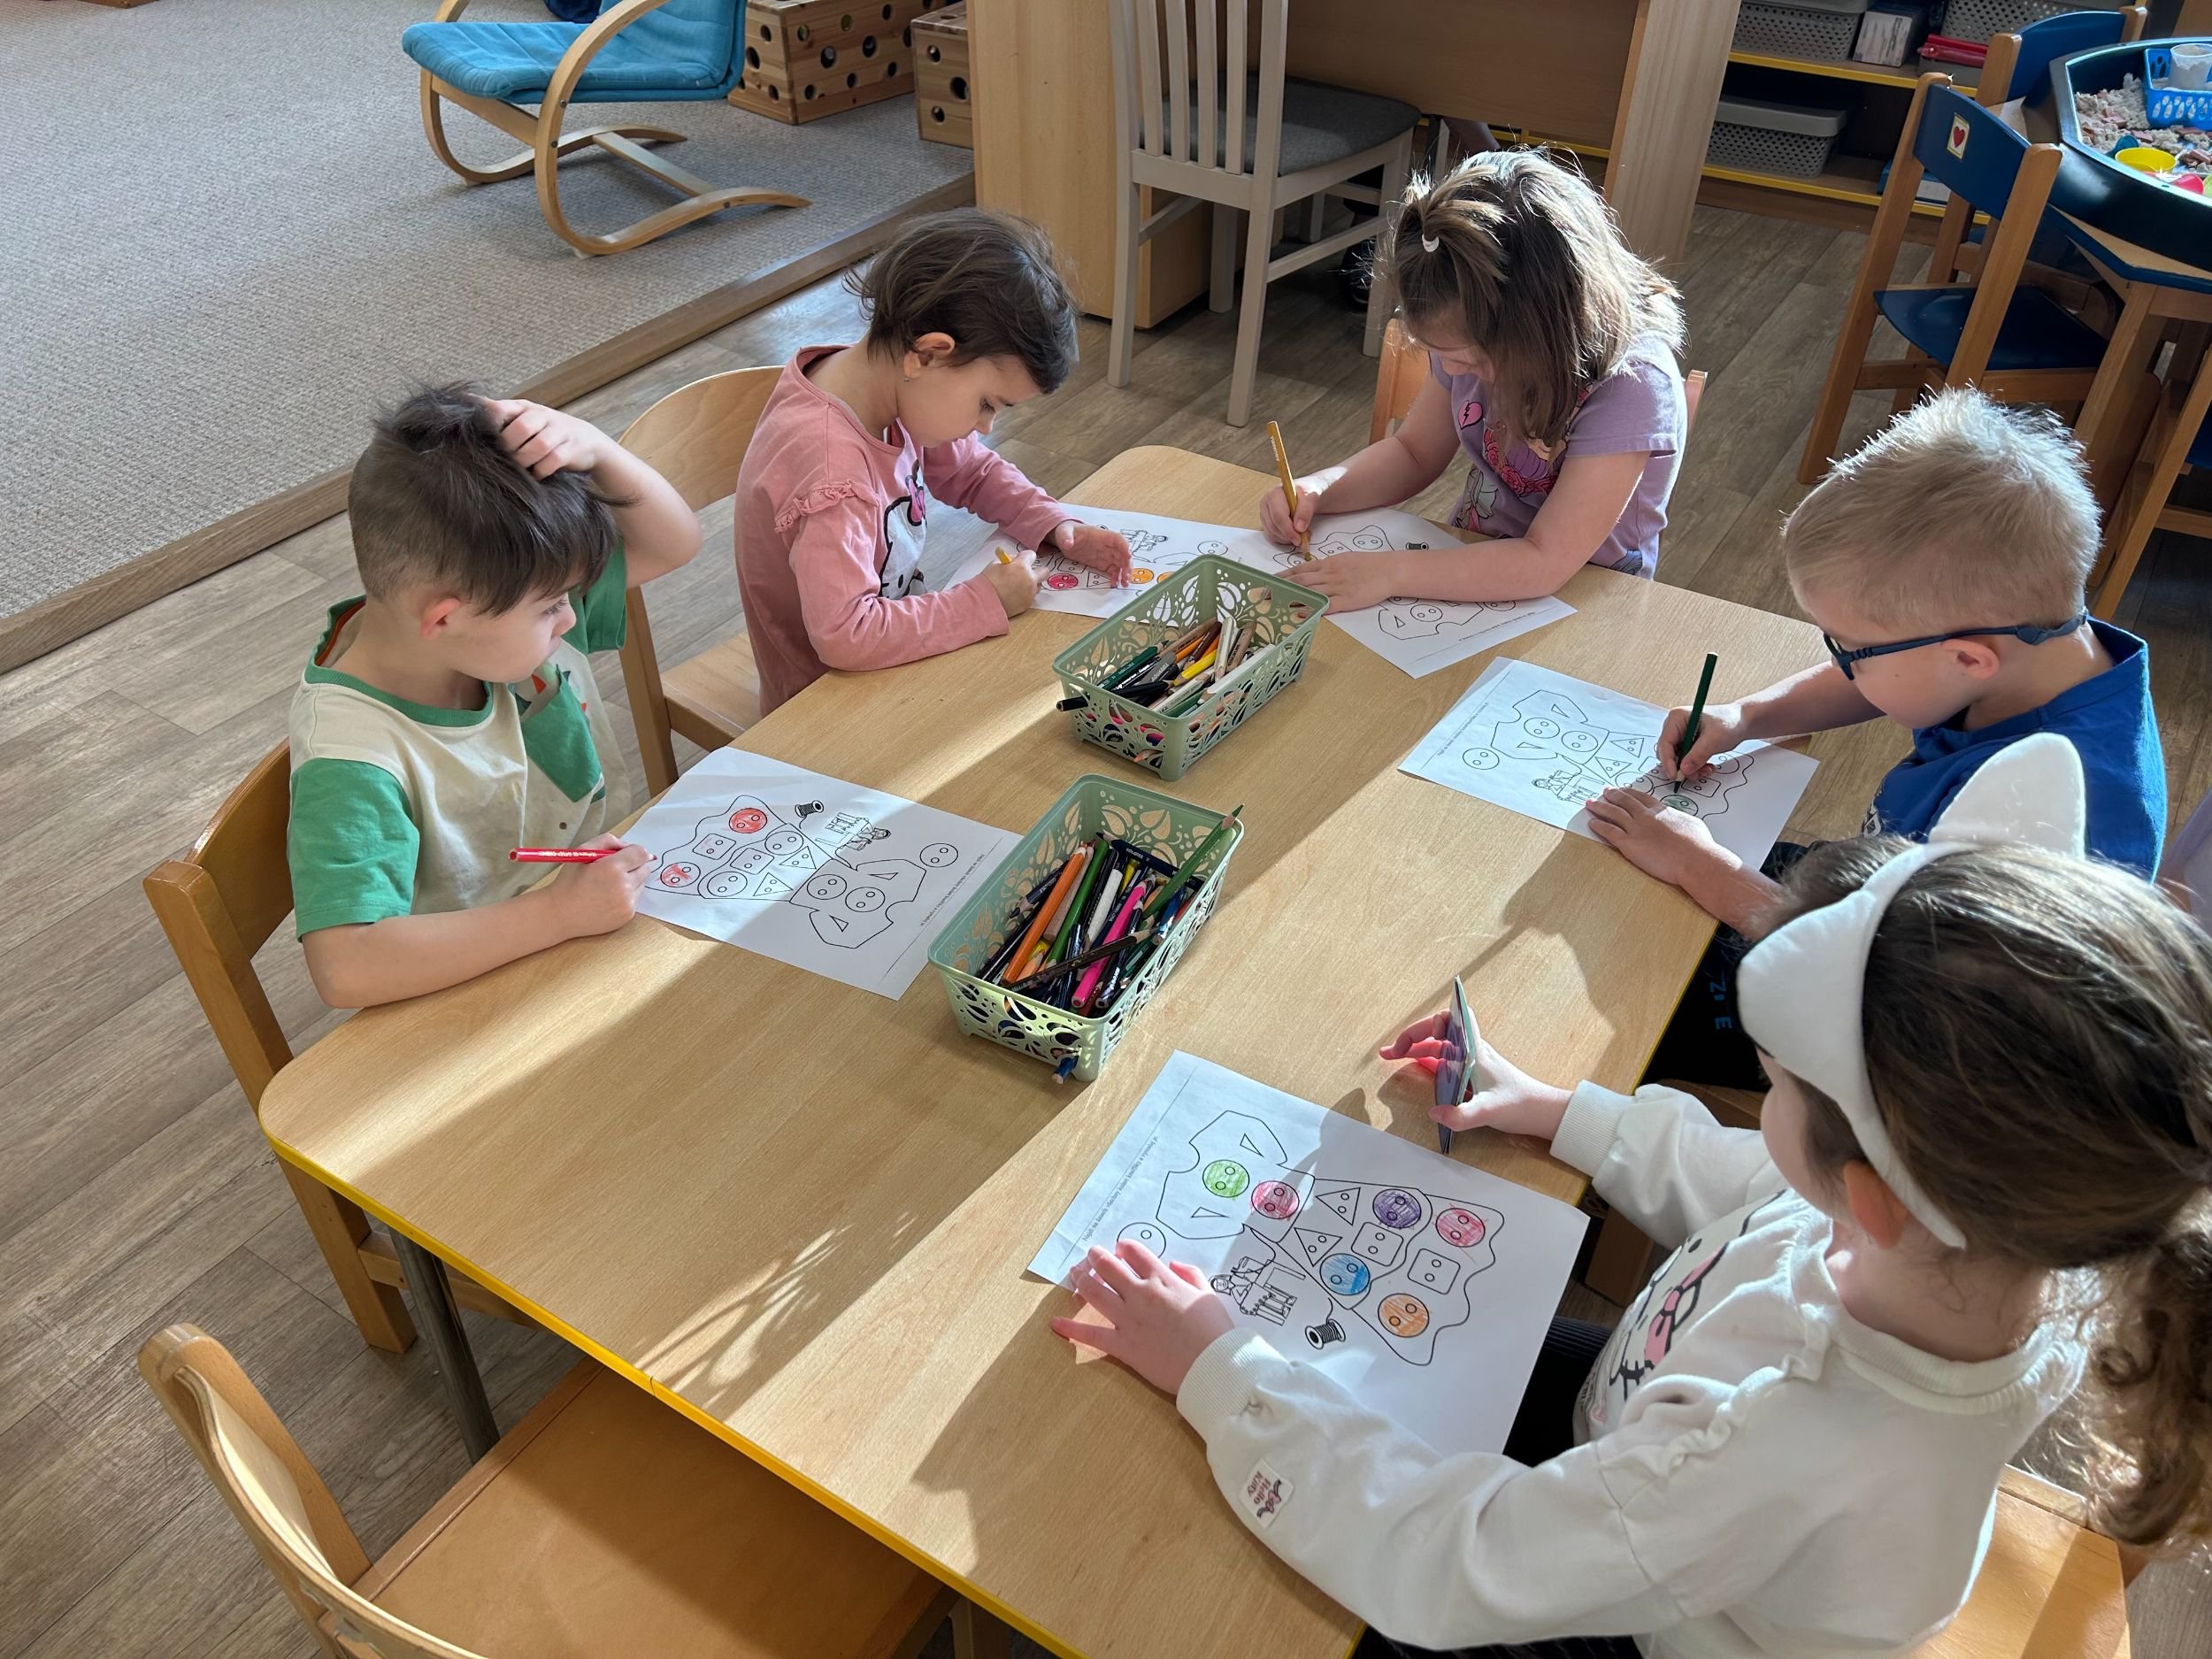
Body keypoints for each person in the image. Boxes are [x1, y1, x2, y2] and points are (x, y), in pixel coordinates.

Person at [1053, 738, 2212, 1658]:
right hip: (1641, 1444)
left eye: (1772, 1084)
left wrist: (1219, 1369)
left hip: (1644, 1620)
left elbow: (1452, 1562)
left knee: (1222, 1585)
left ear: (1872, 1195)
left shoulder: (1772, 1442)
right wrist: (1560, 1111)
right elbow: (1761, 1187)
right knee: (1392, 1357)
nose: (1763, 1105)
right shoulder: (2005, 1244)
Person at [1589, 388, 2163, 1085]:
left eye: (1850, 647)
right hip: (1877, 887)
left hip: (1890, 1032)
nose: (1841, 662)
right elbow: (1879, 678)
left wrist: (1701, 866)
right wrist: (1749, 715)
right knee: (1617, 882)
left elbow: (1879, 979)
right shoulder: (2035, 647)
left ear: (1968, 658)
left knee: (1610, 989)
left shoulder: (2053, 820)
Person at [288, 386, 701, 1008]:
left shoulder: (505, 600)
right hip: (481, 985)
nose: (570, 618)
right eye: (553, 606)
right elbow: (347, 967)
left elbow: (675, 543)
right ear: (444, 617)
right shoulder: (352, 758)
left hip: (587, 916)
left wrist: (596, 448)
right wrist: (558, 913)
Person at [734, 208, 1130, 714]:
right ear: (928, 354)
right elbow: (846, 635)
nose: (986, 426)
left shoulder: (884, 382)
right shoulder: (833, 472)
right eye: (987, 403)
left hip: (889, 653)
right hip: (824, 708)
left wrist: (1054, 525)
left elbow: (972, 471)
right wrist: (984, 601)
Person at [1262, 150, 1685, 609]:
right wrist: (1320, 489)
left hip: (1584, 601)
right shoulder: (1472, 325)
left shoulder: (1633, 386)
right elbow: (1413, 452)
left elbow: (1546, 560)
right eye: (1443, 356)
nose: (1453, 372)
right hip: (1470, 565)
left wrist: (1390, 571)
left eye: (1468, 360)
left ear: (1542, 328)